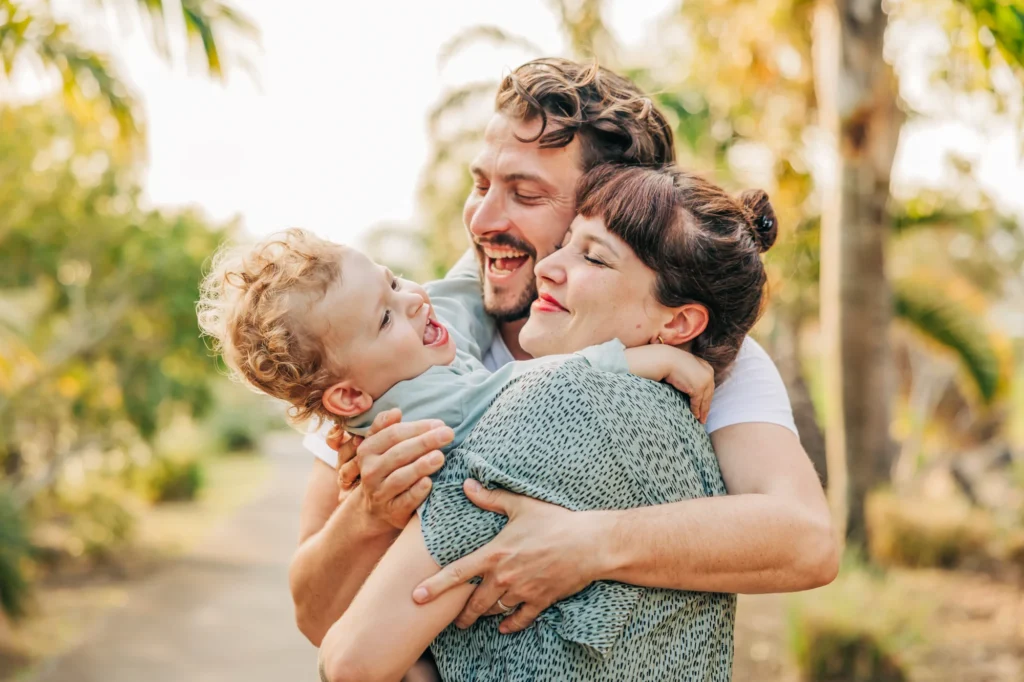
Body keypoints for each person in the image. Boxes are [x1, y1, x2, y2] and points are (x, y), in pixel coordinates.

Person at [289, 58, 837, 661]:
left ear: (607, 203)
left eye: (524, 194)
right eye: (481, 185)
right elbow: (316, 618)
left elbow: (805, 541)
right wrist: (368, 513)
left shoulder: (697, 352)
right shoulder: (393, 344)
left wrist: (586, 545)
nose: (483, 219)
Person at [317, 163, 786, 682]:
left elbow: (350, 662)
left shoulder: (546, 407)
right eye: (564, 241)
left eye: (592, 257)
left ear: (676, 322)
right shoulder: (692, 445)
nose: (546, 267)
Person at [196, 228, 715, 471]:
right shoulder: (417, 415)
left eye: (393, 281)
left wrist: (491, 232)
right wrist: (648, 359)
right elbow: (536, 388)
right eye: (384, 316)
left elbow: (458, 296)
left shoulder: (406, 360)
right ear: (350, 398)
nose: (414, 300)